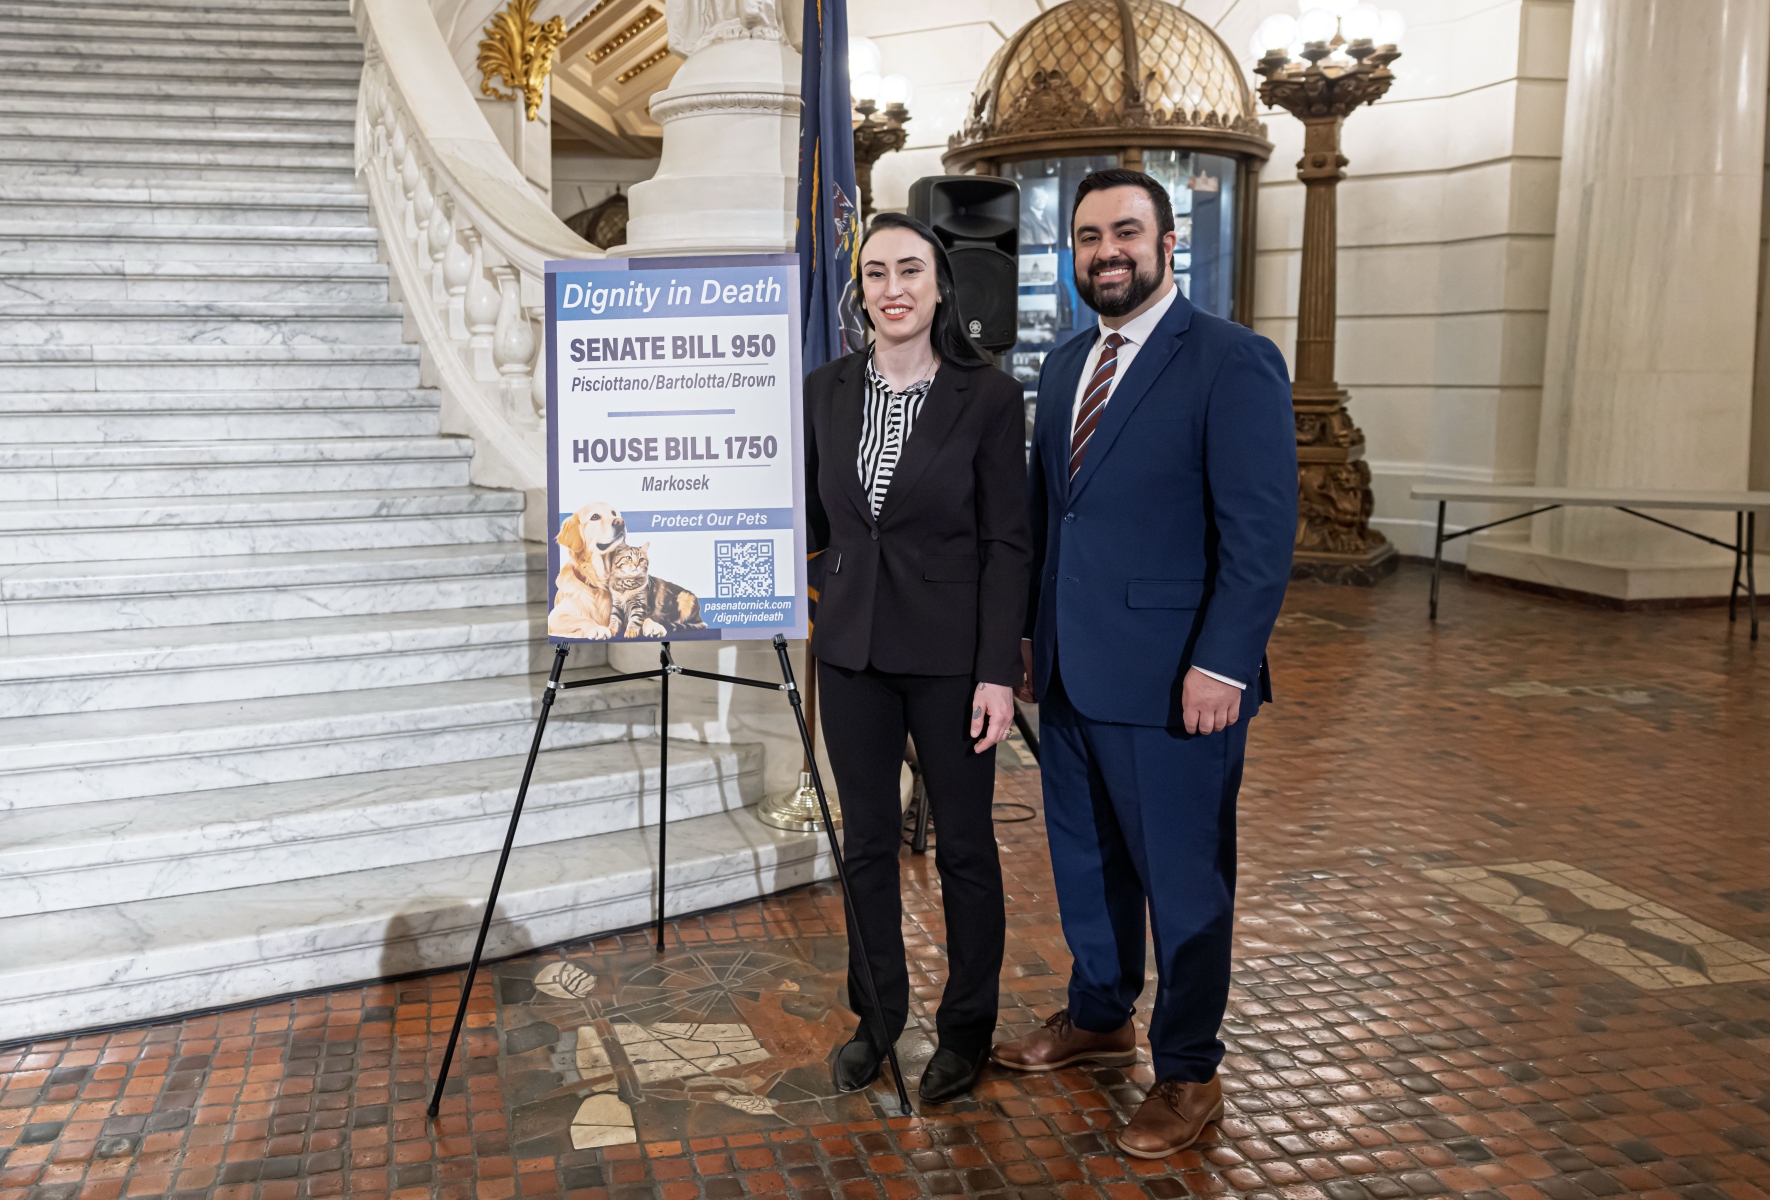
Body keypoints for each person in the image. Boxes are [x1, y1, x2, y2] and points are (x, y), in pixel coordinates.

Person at [991, 169, 1297, 1157]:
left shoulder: (1232, 360)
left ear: (1169, 244)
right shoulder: (1065, 363)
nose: (1106, 252)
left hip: (1178, 684)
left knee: (1183, 881)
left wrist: (1225, 664)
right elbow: (1052, 519)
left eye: (1125, 232)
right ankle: (1099, 1013)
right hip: (1072, 670)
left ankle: (1190, 1071)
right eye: (1087, 237)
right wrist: (1029, 636)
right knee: (1086, 860)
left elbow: (1260, 534)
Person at [802, 212, 1032, 1104]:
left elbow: (1007, 544)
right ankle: (877, 1019)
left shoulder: (989, 396)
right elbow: (815, 520)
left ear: (940, 287)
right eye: (875, 273)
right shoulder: (824, 390)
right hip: (851, 653)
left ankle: (966, 1030)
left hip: (951, 660)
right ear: (859, 291)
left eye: (909, 270)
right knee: (866, 845)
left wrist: (996, 673)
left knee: (965, 848)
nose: (891, 288)